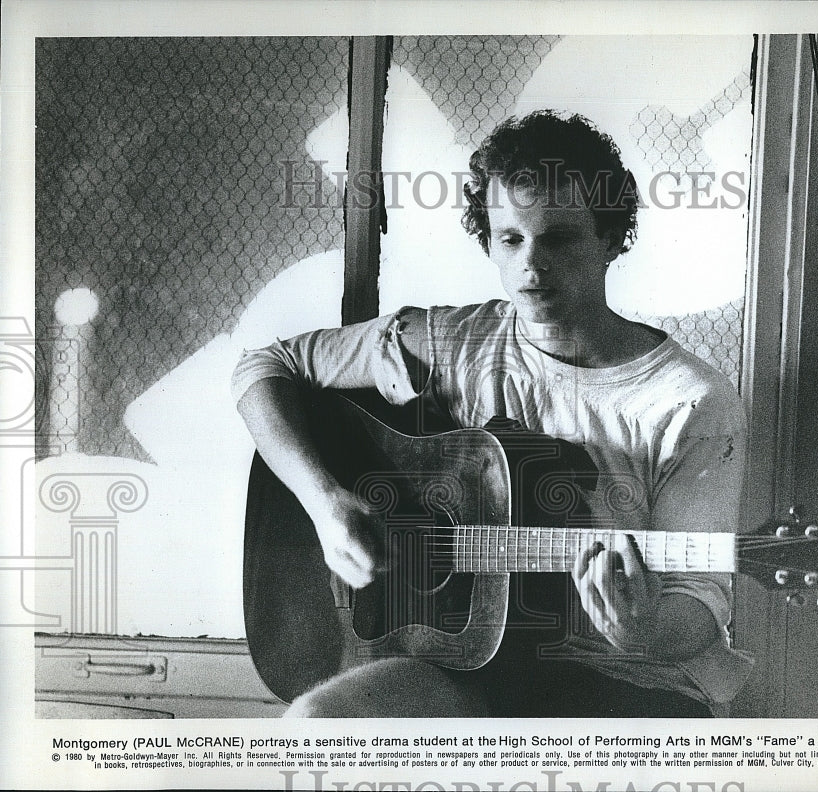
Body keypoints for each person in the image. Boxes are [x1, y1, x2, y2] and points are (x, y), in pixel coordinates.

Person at [232, 110, 753, 717]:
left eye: (558, 238)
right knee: (317, 723)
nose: (532, 264)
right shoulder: (451, 342)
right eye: (511, 238)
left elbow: (698, 602)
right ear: (489, 239)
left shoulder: (690, 401)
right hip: (466, 664)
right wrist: (324, 504)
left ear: (611, 238)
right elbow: (264, 369)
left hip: (628, 682)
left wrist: (641, 627)